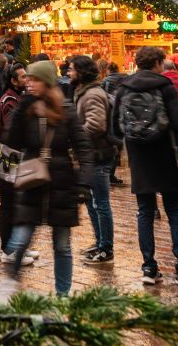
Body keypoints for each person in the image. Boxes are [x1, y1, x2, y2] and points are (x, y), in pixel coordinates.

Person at [0, 60, 92, 301]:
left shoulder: (66, 108)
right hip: (32, 180)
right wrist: (22, 109)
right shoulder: (24, 107)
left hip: (62, 182)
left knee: (62, 244)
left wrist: (84, 183)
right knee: (22, 237)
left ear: (47, 82)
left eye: (34, 79)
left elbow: (82, 146)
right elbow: (11, 142)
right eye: (28, 79)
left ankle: (63, 294)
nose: (29, 83)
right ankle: (10, 282)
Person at [111, 45, 178, 288]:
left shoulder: (124, 88)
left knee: (145, 212)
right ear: (159, 63)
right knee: (174, 211)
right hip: (166, 153)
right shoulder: (165, 86)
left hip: (140, 158)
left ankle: (149, 269)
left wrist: (131, 140)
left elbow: (116, 128)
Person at [69, 55, 118, 265]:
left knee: (101, 204)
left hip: (99, 155)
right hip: (91, 157)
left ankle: (106, 248)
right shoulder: (83, 92)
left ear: (81, 73)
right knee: (91, 202)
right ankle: (100, 243)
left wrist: (76, 137)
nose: (67, 73)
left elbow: (96, 126)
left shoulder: (91, 94)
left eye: (71, 69)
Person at [0, 62, 34, 265]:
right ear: (13, 81)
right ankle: (8, 250)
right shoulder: (10, 101)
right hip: (10, 161)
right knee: (9, 206)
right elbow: (13, 131)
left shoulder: (16, 98)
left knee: (17, 205)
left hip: (14, 159)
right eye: (23, 76)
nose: (26, 79)